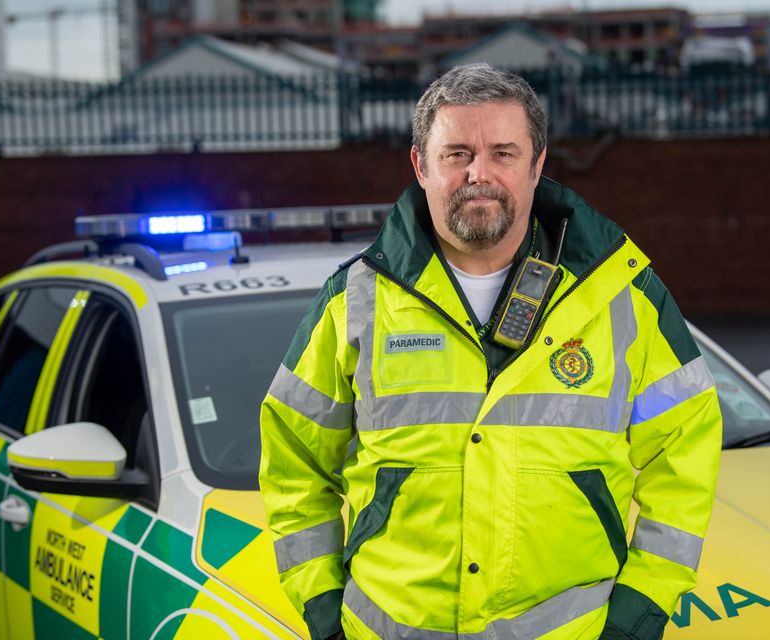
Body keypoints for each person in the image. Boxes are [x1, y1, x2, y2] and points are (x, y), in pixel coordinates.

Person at [260, 63, 722, 640]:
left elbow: (685, 456)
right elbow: (294, 466)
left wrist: (638, 612)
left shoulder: (623, 295)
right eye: (457, 154)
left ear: (537, 164)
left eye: (503, 152)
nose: (479, 173)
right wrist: (325, 611)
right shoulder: (354, 301)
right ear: (420, 165)